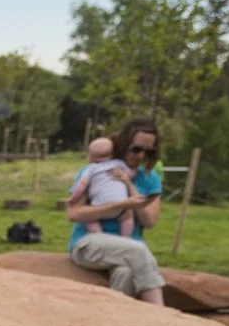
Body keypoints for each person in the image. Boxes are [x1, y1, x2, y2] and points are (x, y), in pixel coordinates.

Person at [65, 121, 166, 304]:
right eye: (136, 149)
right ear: (123, 144)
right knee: (138, 251)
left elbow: (149, 221)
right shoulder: (95, 171)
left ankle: (113, 320)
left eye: (148, 151)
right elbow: (74, 214)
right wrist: (118, 206)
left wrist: (129, 185)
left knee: (125, 272)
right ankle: (161, 312)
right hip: (89, 243)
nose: (141, 155)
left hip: (126, 247)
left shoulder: (150, 178)